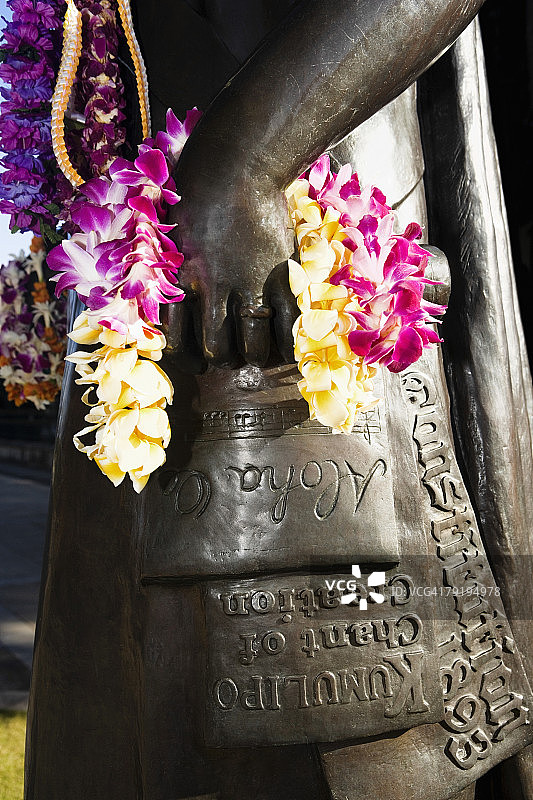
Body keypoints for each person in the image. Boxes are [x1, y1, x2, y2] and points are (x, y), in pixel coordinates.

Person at [25, 2, 533, 798]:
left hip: (297, 245)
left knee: (328, 754)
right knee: (136, 724)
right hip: (150, 276)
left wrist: (248, 162)